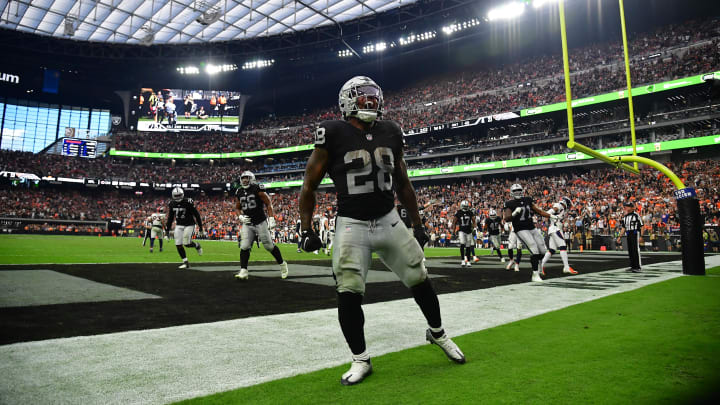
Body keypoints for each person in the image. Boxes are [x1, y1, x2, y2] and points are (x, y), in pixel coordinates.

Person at [298, 75, 465, 386]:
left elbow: (402, 182)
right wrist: (306, 227)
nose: (370, 101)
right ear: (347, 100)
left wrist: (417, 223)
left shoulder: (391, 130)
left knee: (419, 277)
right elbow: (310, 184)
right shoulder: (332, 131)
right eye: (362, 96)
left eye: (373, 95)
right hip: (352, 224)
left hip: (388, 218)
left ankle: (438, 333)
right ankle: (361, 359)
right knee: (349, 291)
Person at [233, 171, 289, 280]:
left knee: (268, 246)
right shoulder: (239, 191)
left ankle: (283, 265)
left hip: (260, 221)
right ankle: (244, 271)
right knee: (244, 246)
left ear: (251, 179)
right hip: (248, 223)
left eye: (247, 178)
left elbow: (268, 203)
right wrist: (240, 216)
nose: (244, 180)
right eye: (243, 178)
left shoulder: (257, 188)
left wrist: (271, 217)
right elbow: (237, 207)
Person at [502, 183, 554, 282]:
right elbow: (507, 218)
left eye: (519, 190)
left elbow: (539, 211)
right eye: (515, 191)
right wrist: (514, 213)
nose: (517, 193)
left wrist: (550, 216)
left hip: (531, 227)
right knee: (534, 248)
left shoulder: (527, 200)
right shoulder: (510, 204)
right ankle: (535, 274)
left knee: (543, 251)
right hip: (520, 229)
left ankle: (538, 267)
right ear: (512, 193)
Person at [165, 187, 204, 269]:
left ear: (182, 195)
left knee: (187, 243)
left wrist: (200, 227)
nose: (178, 197)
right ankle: (186, 263)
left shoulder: (188, 202)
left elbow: (196, 215)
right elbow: (170, 218)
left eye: (179, 195)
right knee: (178, 244)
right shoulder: (172, 203)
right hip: (179, 225)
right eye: (176, 195)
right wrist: (167, 231)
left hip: (189, 224)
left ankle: (197, 245)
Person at [540, 197, 578, 276]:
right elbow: (550, 212)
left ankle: (540, 265)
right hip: (555, 229)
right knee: (563, 246)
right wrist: (552, 215)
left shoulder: (561, 208)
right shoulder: (559, 206)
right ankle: (566, 267)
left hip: (554, 229)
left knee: (552, 250)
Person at [618, 202, 643, 272]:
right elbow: (623, 227)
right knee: (630, 250)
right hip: (628, 233)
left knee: (635, 250)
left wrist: (641, 236)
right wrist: (620, 236)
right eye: (626, 206)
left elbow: (641, 226)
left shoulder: (636, 215)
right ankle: (632, 266)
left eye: (628, 206)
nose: (626, 208)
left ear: (632, 208)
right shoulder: (625, 217)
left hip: (635, 233)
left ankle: (638, 267)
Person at [454, 200, 475, 267]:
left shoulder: (470, 212)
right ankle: (463, 260)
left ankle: (468, 261)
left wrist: (474, 228)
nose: (465, 208)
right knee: (462, 244)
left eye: (466, 207)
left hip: (468, 231)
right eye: (465, 207)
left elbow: (474, 221)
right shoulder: (459, 213)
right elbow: (454, 222)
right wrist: (454, 230)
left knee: (468, 247)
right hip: (462, 231)